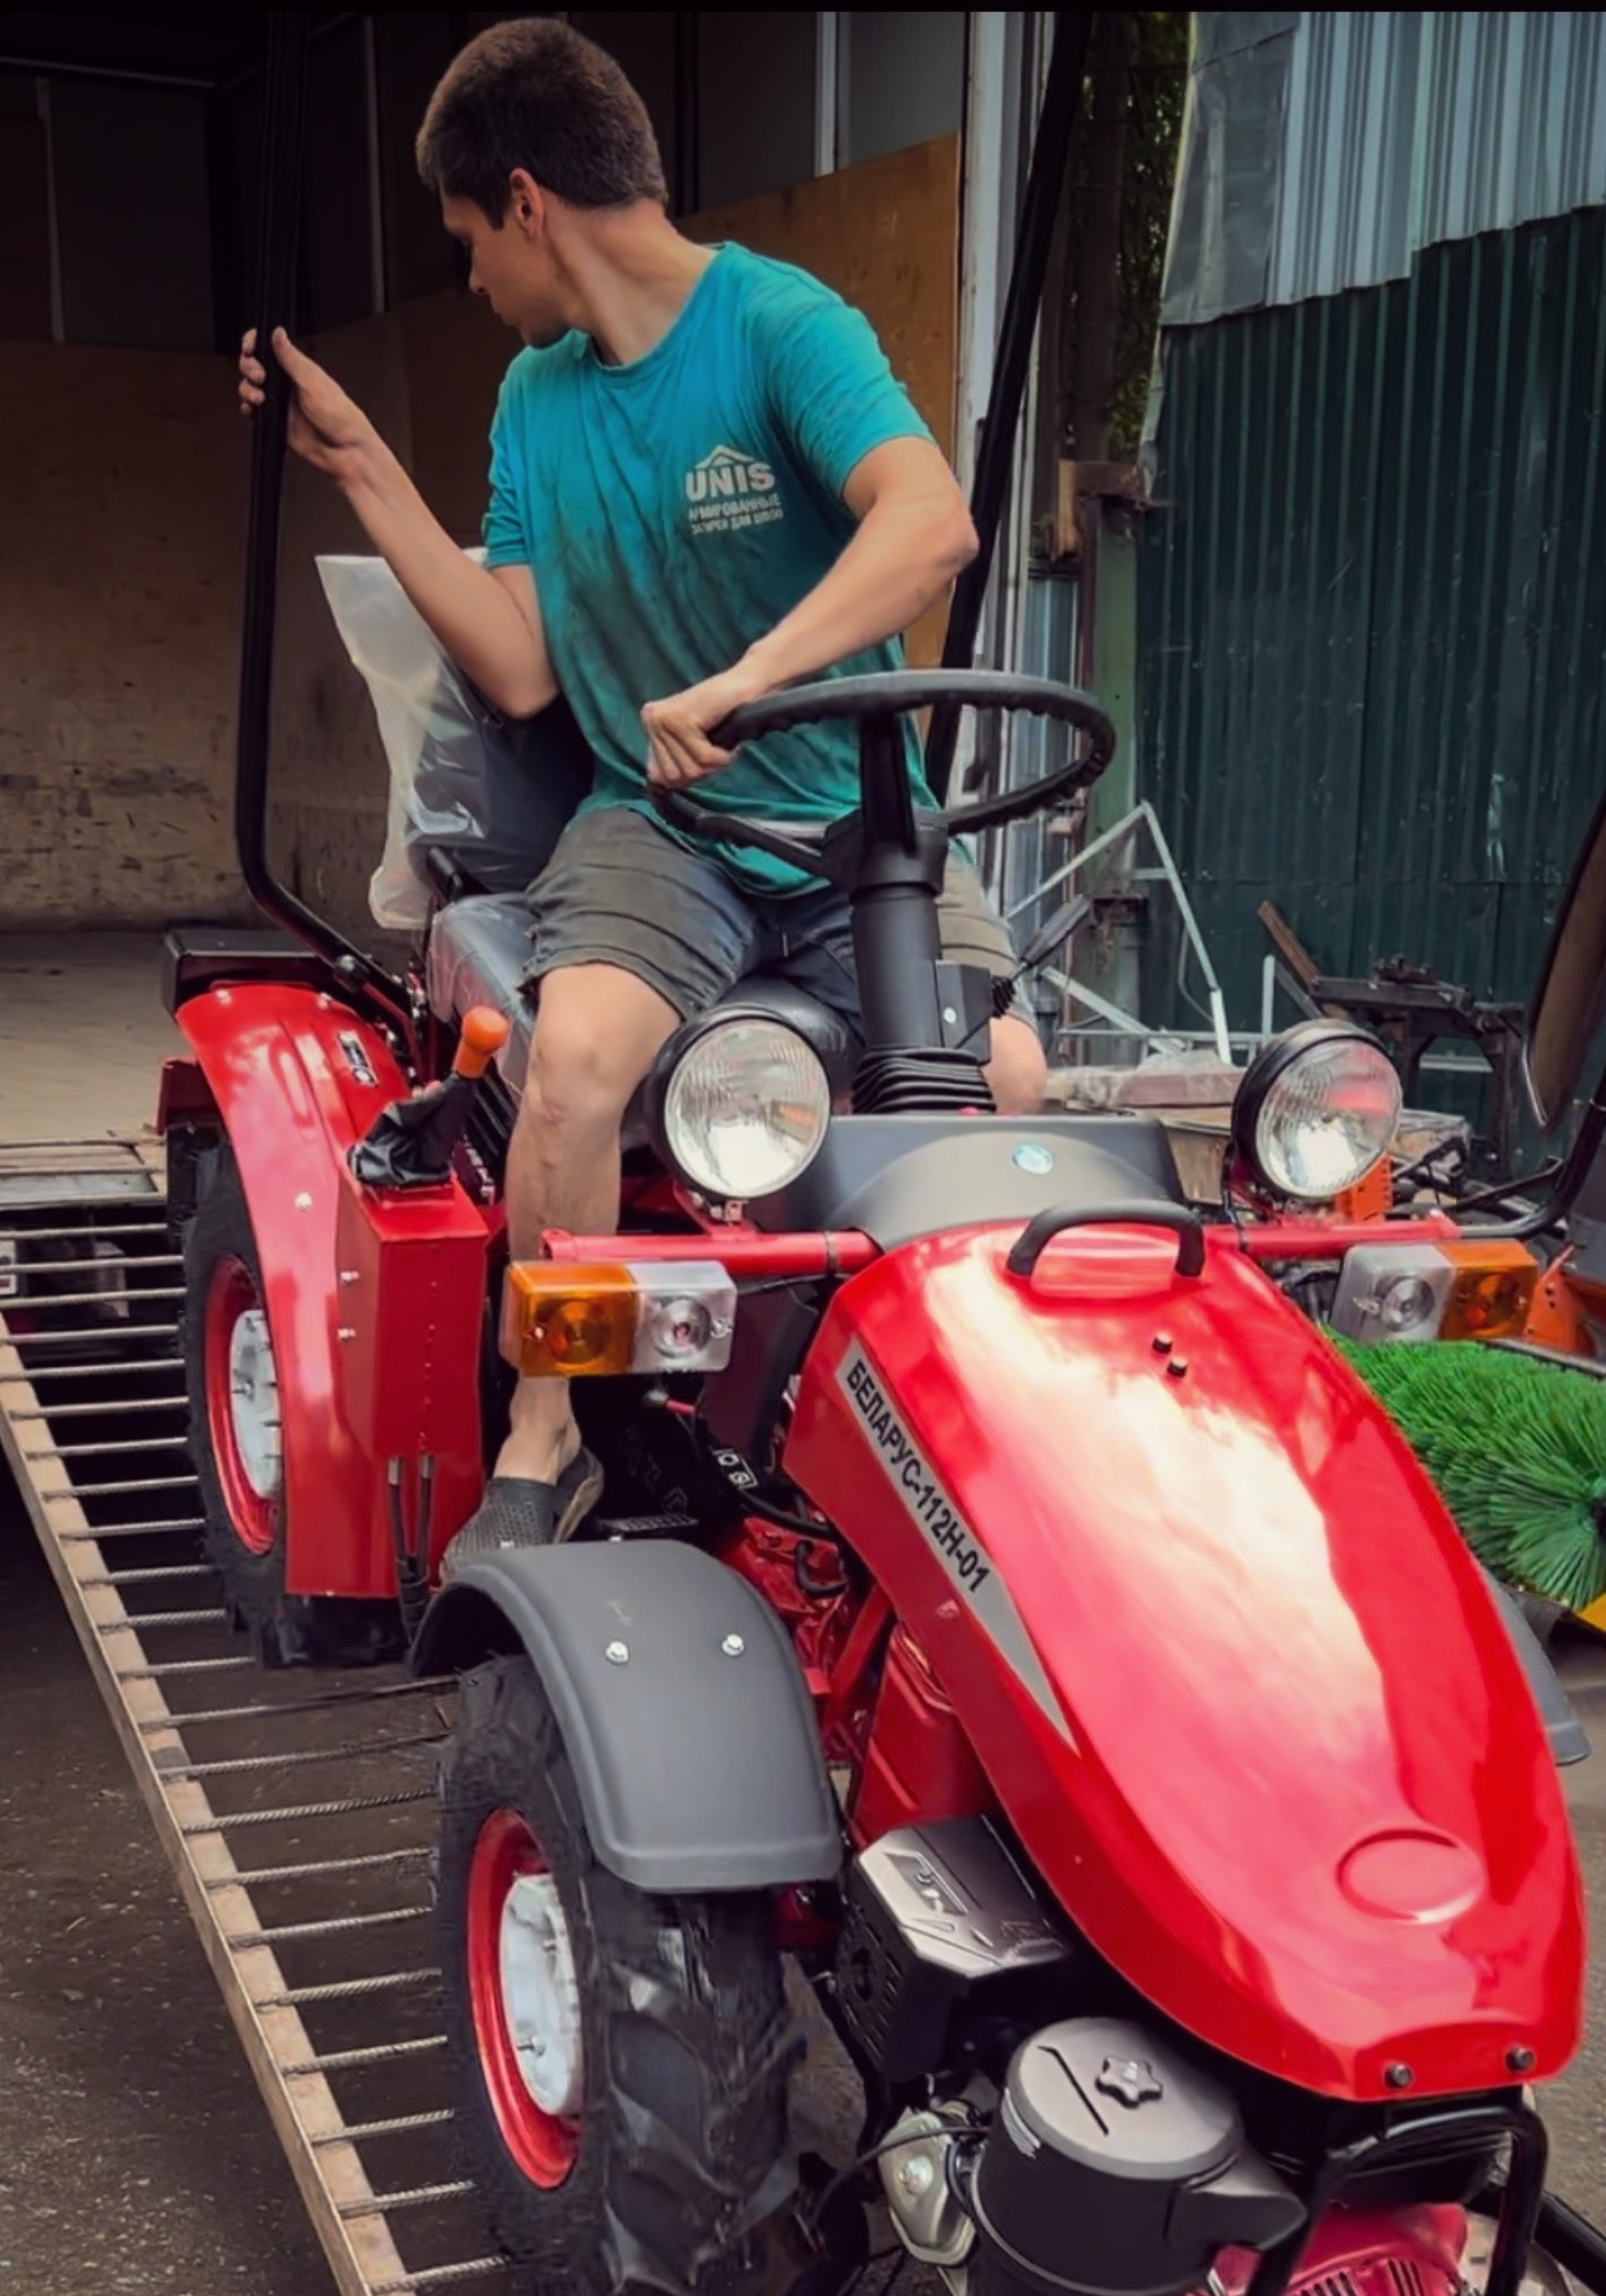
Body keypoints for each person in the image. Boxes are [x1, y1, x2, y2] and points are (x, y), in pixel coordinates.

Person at [239, 13, 1046, 1560]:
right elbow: (520, 666)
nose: (473, 278)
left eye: (470, 241)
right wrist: (364, 470)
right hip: (660, 828)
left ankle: (932, 1417)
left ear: (527, 202)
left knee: (1003, 1082)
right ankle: (549, 1430)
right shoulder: (535, 401)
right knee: (574, 1065)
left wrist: (751, 678)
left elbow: (928, 521)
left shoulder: (781, 327)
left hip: (852, 826)